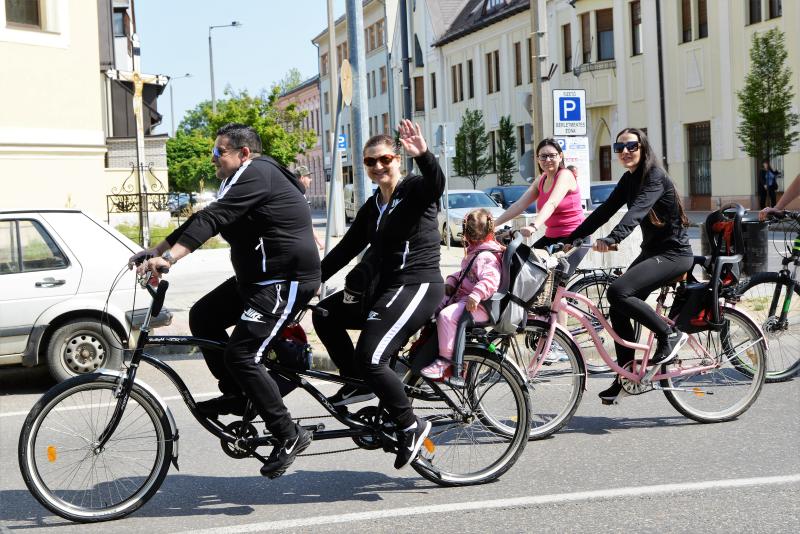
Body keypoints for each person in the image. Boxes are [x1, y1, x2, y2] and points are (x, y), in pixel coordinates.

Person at [132, 123, 321, 479]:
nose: (213, 158)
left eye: (219, 152)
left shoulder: (258, 172)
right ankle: (238, 394)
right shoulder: (238, 180)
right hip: (256, 281)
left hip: (285, 282)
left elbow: (214, 217)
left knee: (242, 354)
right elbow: (205, 218)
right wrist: (155, 250)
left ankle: (288, 433)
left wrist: (170, 260)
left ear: (243, 153)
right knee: (204, 316)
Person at [312, 120, 445, 469]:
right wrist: (309, 282)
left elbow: (436, 184)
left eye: (385, 159)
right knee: (324, 314)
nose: (378, 166)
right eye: (370, 162)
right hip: (386, 289)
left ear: (397, 159)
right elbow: (346, 248)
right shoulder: (373, 205)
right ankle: (359, 382)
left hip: (417, 285)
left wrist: (425, 155)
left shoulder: (413, 189)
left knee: (372, 357)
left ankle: (411, 425)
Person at [566, 127, 694, 404]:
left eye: (631, 146)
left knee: (618, 292)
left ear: (643, 148)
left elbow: (637, 212)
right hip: (652, 253)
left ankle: (669, 334)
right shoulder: (629, 179)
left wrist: (614, 238)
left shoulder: (655, 177)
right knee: (618, 307)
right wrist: (571, 238)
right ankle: (625, 376)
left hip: (674, 255)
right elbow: (605, 210)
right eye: (619, 147)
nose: (625, 151)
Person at [420, 209, 503, 379]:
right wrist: (451, 281)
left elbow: (490, 280)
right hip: (468, 300)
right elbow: (466, 273)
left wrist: (476, 295)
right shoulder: (477, 251)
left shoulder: (486, 256)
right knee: (431, 305)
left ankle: (445, 361)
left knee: (446, 316)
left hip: (480, 306)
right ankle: (425, 347)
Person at [495, 138, 584, 249]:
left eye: (552, 155)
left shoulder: (565, 175)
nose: (548, 160)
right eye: (543, 156)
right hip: (551, 237)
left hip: (574, 237)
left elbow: (552, 203)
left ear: (560, 156)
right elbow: (519, 205)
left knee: (548, 261)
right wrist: (493, 225)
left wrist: (533, 226)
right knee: (523, 258)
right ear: (538, 159)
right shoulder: (541, 179)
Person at [294, 164, 325, 250]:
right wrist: (319, 241)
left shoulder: (299, 193)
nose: (311, 180)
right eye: (308, 177)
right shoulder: (298, 195)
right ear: (302, 178)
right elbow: (306, 222)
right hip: (299, 243)